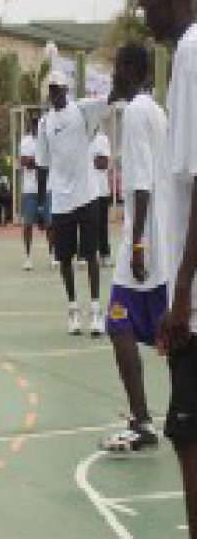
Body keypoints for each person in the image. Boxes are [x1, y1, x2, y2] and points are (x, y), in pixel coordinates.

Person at [139, 0, 197, 535]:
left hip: (196, 301)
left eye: (148, 0)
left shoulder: (192, 54)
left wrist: (180, 298)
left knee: (188, 436)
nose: (141, 10)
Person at [99, 44, 168, 453]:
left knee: (118, 323)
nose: (112, 76)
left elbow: (141, 185)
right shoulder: (156, 112)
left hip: (144, 241)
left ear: (130, 69)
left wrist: (138, 244)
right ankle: (159, 415)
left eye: (116, 69)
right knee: (171, 332)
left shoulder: (138, 114)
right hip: (162, 239)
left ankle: (143, 422)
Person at [36, 71, 111, 337]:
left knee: (90, 254)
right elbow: (42, 165)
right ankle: (72, 310)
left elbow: (109, 99)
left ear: (66, 90)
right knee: (64, 258)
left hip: (87, 194)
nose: (54, 93)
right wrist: (44, 206)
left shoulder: (82, 110)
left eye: (58, 89)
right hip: (61, 199)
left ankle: (95, 311)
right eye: (51, 90)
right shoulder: (44, 123)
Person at [19, 115, 52, 271]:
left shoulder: (47, 141)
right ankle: (27, 257)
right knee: (27, 224)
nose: (35, 127)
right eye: (32, 124)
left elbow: (49, 163)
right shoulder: (25, 141)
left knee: (50, 224)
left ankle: (53, 256)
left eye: (37, 124)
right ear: (30, 126)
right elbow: (25, 162)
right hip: (29, 190)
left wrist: (36, 162)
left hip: (47, 188)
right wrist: (38, 162)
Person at [89, 129, 114, 268]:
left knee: (102, 225)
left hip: (101, 191)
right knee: (86, 225)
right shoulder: (81, 138)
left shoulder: (103, 139)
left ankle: (105, 254)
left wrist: (86, 161)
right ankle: (86, 255)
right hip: (85, 191)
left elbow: (103, 163)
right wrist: (94, 159)